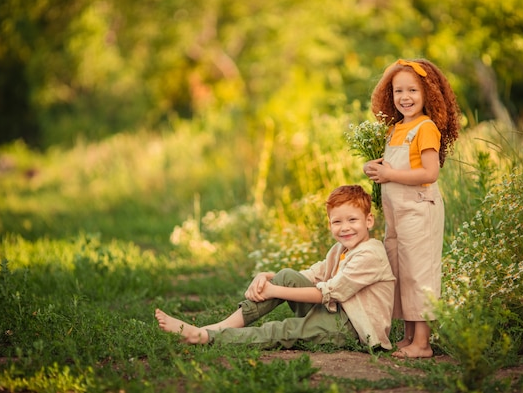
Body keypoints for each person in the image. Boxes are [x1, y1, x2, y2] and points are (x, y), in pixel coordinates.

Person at [155, 185, 397, 350]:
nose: (345, 228)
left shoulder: (371, 253)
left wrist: (272, 291)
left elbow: (327, 292)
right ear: (330, 223)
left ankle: (205, 336)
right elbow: (311, 276)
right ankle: (218, 327)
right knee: (286, 276)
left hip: (353, 328)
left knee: (283, 330)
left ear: (369, 220)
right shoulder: (339, 250)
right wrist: (268, 277)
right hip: (335, 312)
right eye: (337, 222)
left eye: (352, 220)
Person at [363, 58, 461, 358]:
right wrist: (374, 167)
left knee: (419, 272)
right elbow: (394, 166)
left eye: (413, 91)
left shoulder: (426, 128)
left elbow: (429, 173)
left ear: (428, 94)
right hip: (398, 214)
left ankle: (422, 342)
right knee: (401, 269)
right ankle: (408, 335)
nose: (405, 97)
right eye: (398, 91)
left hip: (420, 209)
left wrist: (390, 175)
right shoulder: (396, 129)